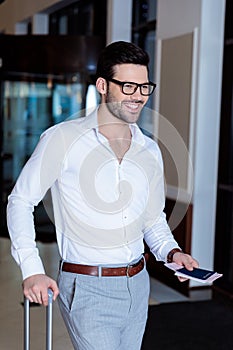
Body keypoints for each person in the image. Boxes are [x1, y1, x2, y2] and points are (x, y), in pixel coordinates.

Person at [7, 41, 198, 350]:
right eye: (128, 86)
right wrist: (32, 271)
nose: (138, 96)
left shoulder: (149, 150)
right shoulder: (63, 139)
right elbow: (20, 201)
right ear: (102, 86)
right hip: (87, 287)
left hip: (138, 285)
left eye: (144, 86)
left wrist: (172, 254)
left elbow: (153, 220)